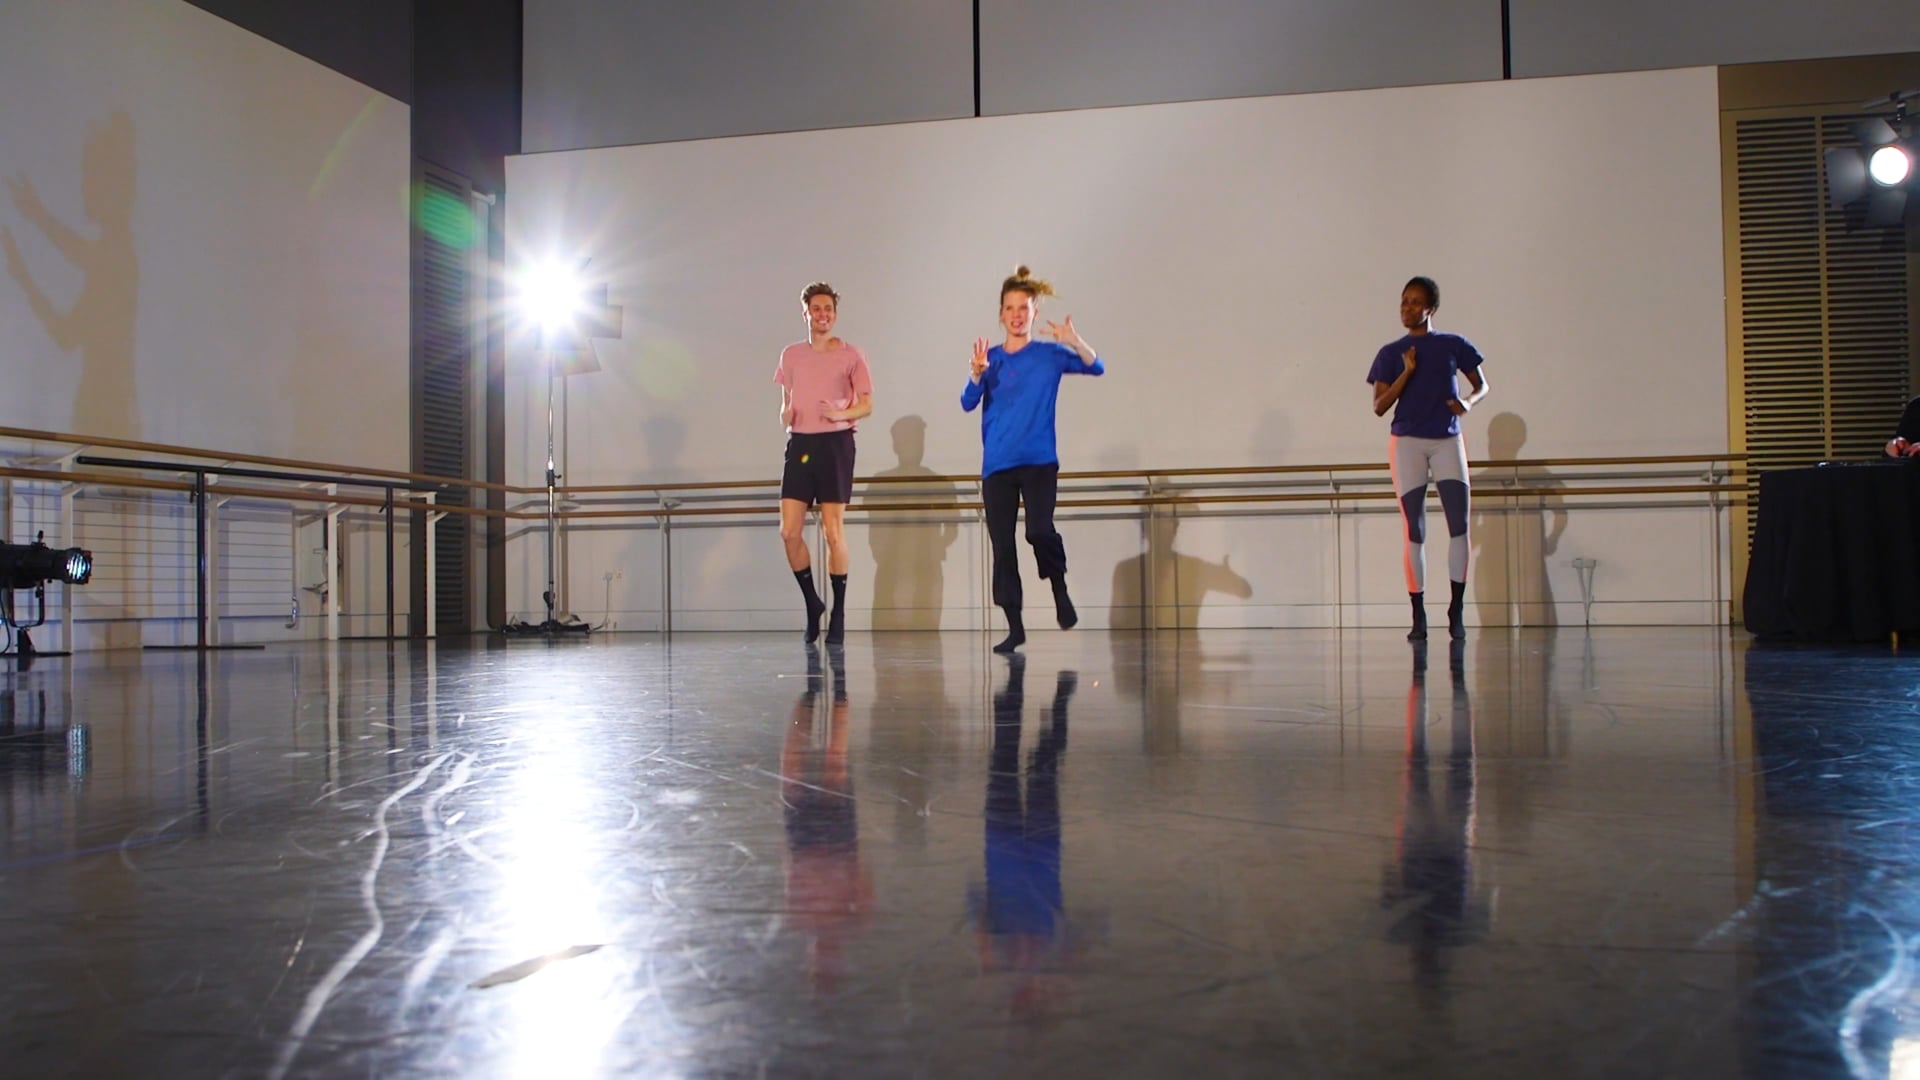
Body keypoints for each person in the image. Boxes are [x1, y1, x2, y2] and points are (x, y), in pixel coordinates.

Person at [961, 266, 1106, 653]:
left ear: (1034, 313)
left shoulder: (1049, 355)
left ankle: (1059, 588)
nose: (1017, 314)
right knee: (1003, 547)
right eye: (1010, 308)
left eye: (1023, 307)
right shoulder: (988, 359)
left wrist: (1074, 340)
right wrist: (975, 375)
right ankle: (1015, 626)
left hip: (1039, 460)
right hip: (998, 467)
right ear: (1001, 314)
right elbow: (966, 402)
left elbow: (1097, 365)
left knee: (1039, 530)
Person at [1367, 276, 1489, 641]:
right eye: (1404, 301)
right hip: (1407, 442)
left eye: (1415, 302)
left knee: (1459, 526)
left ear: (1430, 308)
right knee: (1415, 530)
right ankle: (1418, 613)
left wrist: (1467, 403)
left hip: (1447, 439)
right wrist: (1407, 371)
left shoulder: (1453, 345)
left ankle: (1456, 608)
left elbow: (1481, 384)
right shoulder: (1391, 353)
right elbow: (1379, 406)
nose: (1407, 308)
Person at [775, 282, 873, 644]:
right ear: (806, 313)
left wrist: (840, 413)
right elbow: (785, 403)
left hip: (835, 444)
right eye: (816, 309)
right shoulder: (790, 355)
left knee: (834, 533)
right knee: (788, 531)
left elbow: (867, 404)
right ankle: (813, 604)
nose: (823, 314)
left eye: (828, 308)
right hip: (800, 443)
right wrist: (785, 413)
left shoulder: (851, 355)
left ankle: (840, 614)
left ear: (835, 312)